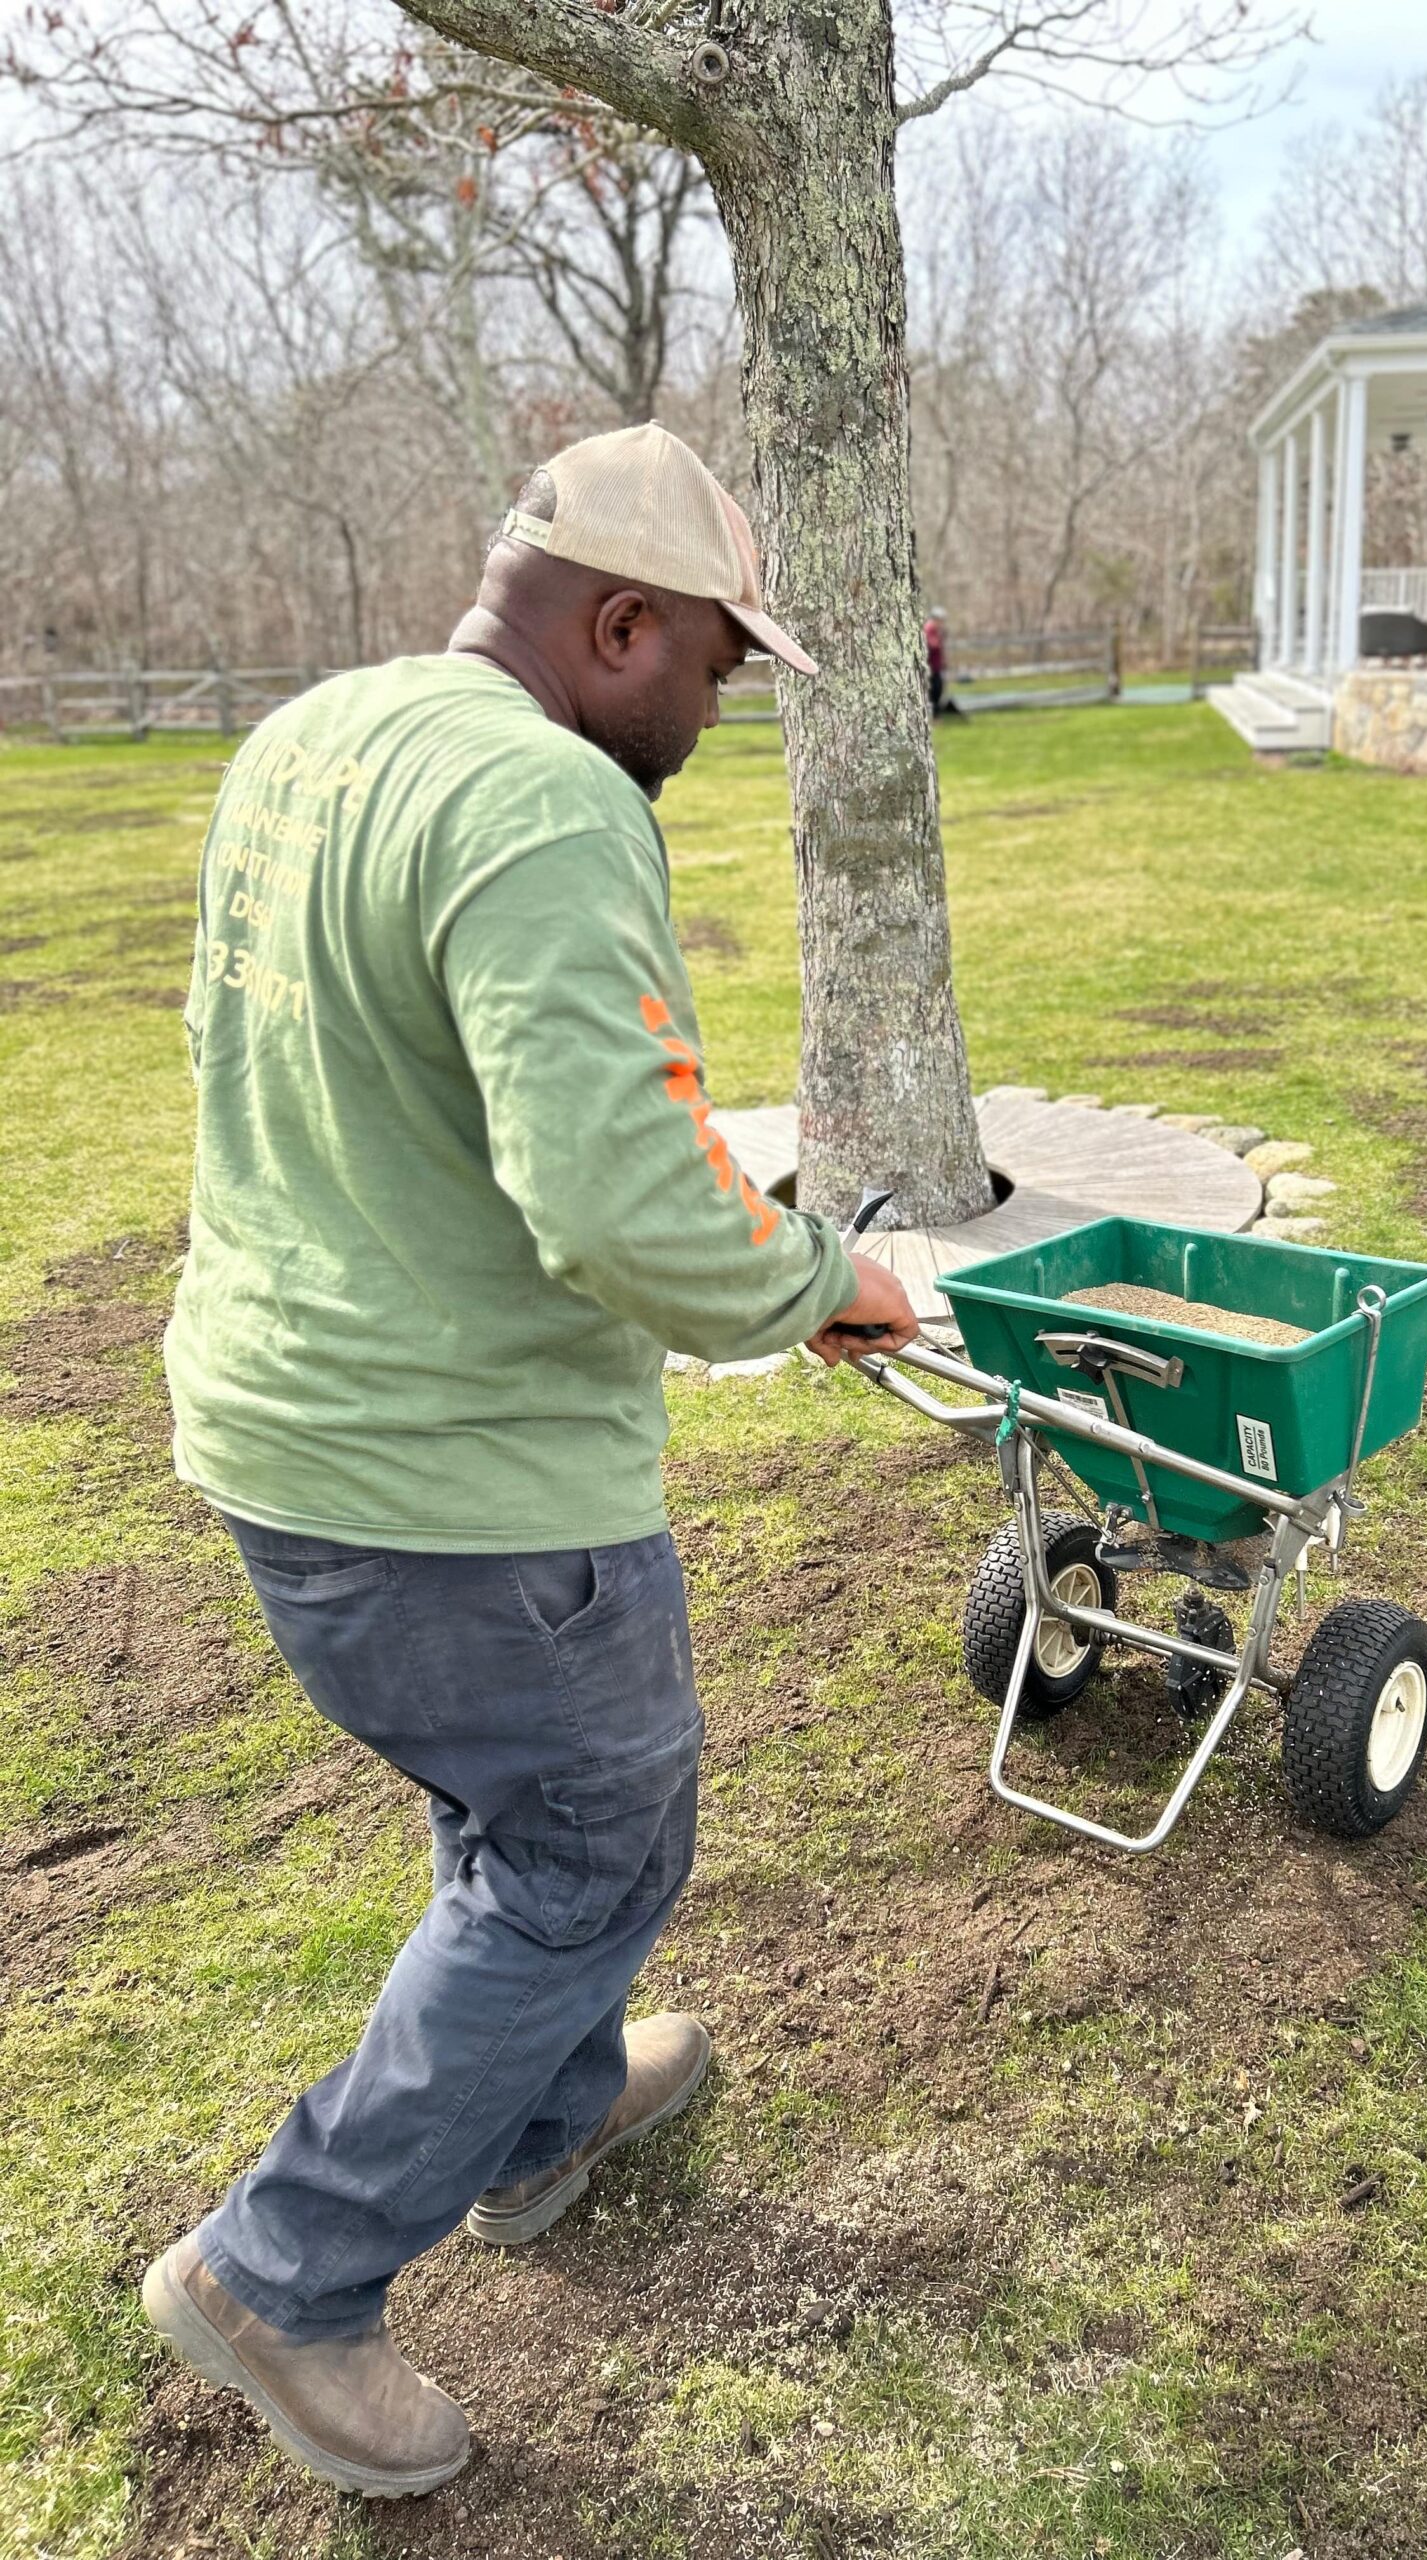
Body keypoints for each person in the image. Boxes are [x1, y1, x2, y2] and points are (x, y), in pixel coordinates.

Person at [141, 422, 919, 2499]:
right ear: (618, 622)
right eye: (715, 666)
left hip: (285, 1433)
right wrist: (821, 1280)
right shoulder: (551, 803)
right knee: (591, 1843)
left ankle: (551, 2107)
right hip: (456, 1484)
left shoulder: (316, 738)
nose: (720, 703)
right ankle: (282, 2268)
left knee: (514, 1810)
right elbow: (619, 1206)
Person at [924, 606, 962, 717]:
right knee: (934, 691)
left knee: (938, 690)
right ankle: (933, 716)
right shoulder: (929, 629)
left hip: (936, 666)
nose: (942, 623)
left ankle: (936, 715)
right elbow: (933, 645)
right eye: (940, 620)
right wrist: (941, 638)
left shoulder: (936, 630)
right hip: (930, 667)